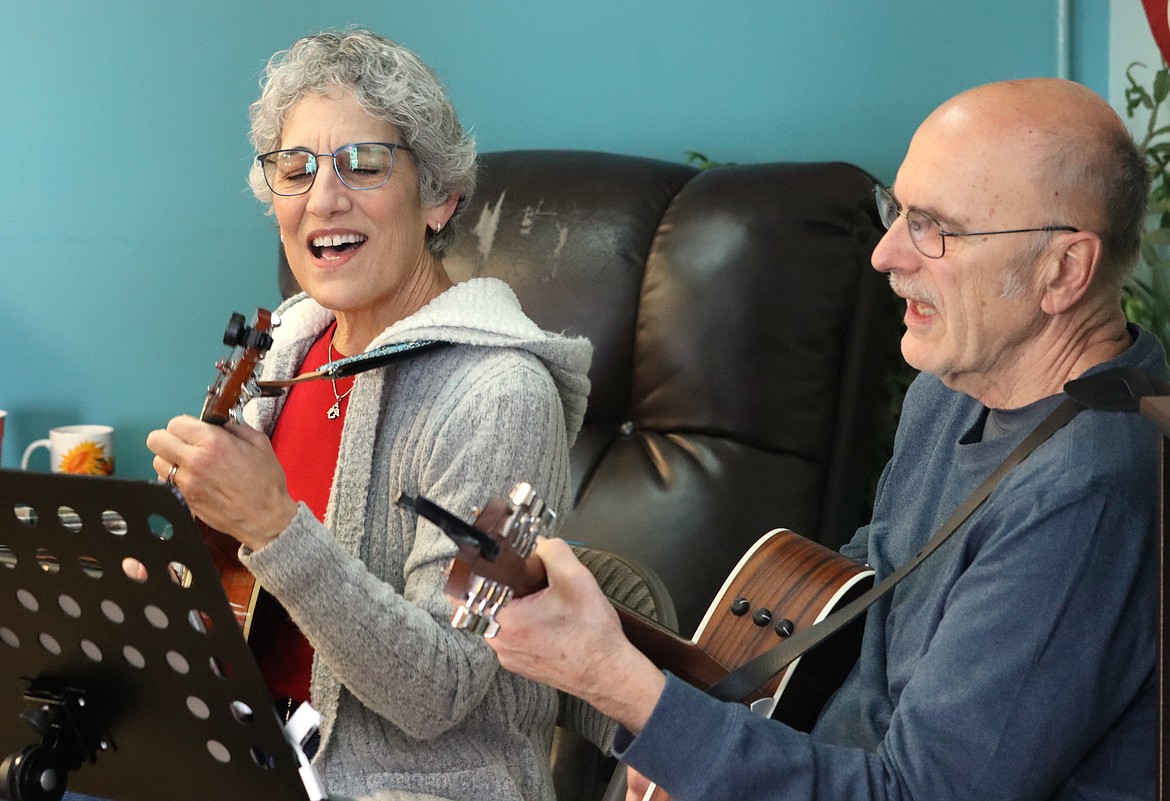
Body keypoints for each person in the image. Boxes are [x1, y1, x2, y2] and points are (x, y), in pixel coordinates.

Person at [471, 78, 1169, 801]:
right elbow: (864, 600)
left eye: (934, 227)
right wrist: (697, 731)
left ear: (1063, 271)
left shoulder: (1090, 491)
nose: (886, 254)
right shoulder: (951, 389)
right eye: (896, 211)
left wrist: (624, 688)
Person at [144, 28, 591, 801]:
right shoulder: (282, 348)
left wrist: (273, 526)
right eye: (296, 167)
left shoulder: (503, 395)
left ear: (440, 195)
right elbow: (241, 608)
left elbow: (441, 690)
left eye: (364, 163)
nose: (323, 198)